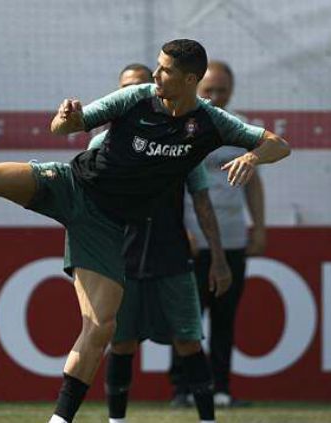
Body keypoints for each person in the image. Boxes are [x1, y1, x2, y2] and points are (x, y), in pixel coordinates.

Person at [0, 39, 290, 423]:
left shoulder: (211, 123)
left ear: (190, 79)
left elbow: (278, 144)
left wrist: (253, 156)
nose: (156, 74)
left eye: (166, 70)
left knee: (101, 327)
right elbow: (64, 128)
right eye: (157, 66)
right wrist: (66, 117)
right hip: (69, 186)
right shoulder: (137, 97)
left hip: (105, 226)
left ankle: (60, 420)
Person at [87, 63, 231, 423]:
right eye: (124, 89)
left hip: (171, 255)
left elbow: (201, 200)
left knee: (189, 341)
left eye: (138, 87)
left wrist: (218, 257)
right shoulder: (99, 145)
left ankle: (208, 419)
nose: (130, 96)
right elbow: (87, 210)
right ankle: (116, 421)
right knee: (121, 344)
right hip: (122, 260)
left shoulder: (183, 139)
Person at [170, 61, 267, 408]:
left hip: (232, 238)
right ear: (195, 87)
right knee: (187, 318)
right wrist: (179, 231)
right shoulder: (179, 126)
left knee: (225, 318)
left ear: (232, 90)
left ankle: (221, 389)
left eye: (221, 90)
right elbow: (170, 187)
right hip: (192, 239)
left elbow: (253, 183)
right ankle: (183, 390)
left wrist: (259, 226)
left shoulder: (241, 129)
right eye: (208, 90)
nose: (214, 96)